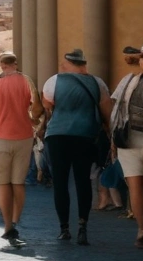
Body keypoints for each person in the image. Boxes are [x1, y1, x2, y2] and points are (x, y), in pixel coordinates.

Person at [40, 48, 112, 245]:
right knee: (82, 181)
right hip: (85, 135)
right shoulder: (98, 83)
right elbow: (107, 109)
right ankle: (83, 225)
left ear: (67, 64)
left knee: (60, 182)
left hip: (57, 135)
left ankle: (64, 228)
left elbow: (47, 104)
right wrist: (110, 133)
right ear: (83, 64)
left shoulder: (54, 80)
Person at [0, 52, 43, 247]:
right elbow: (38, 110)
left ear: (1, 65)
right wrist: (32, 120)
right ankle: (15, 221)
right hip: (23, 136)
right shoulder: (27, 81)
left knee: (2, 184)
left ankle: (7, 226)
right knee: (18, 183)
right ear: (16, 64)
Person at [111, 42, 143, 247]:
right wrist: (112, 138)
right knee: (135, 186)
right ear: (139, 61)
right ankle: (142, 229)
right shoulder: (128, 82)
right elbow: (116, 111)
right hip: (128, 141)